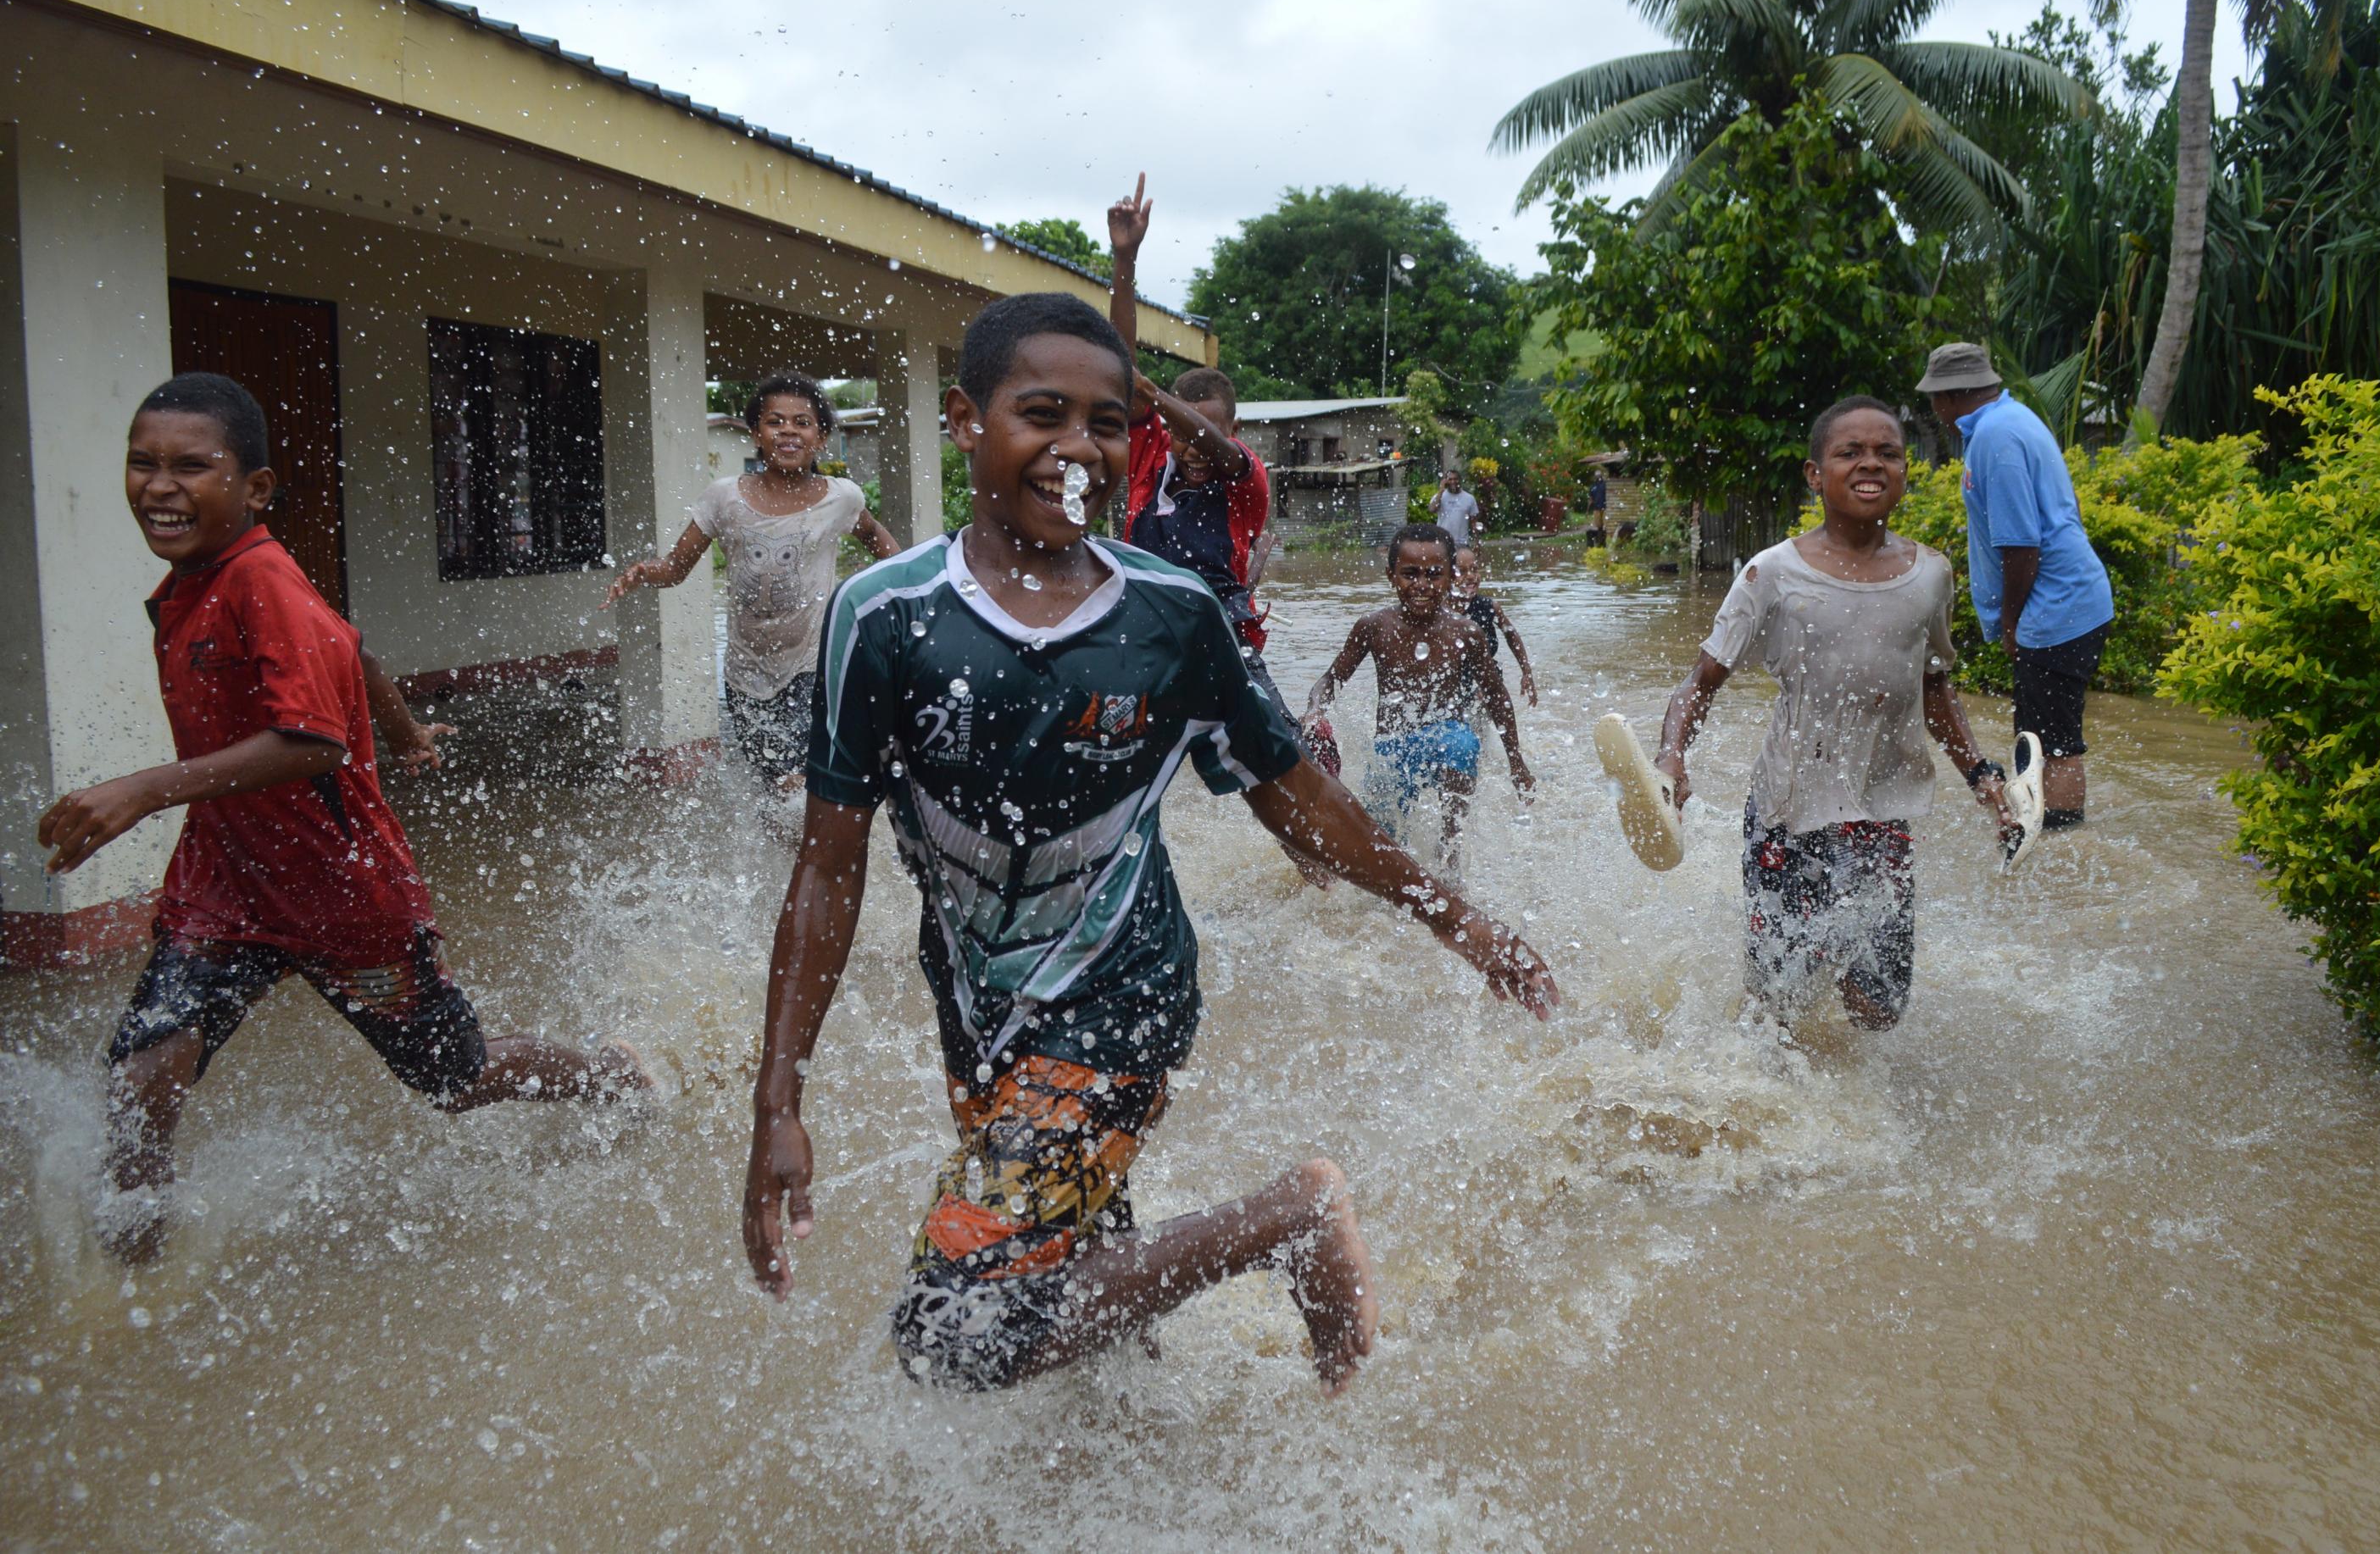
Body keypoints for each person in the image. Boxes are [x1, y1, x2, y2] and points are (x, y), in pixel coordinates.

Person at [739, 293, 1561, 1396]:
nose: (1077, 447)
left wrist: (1464, 925)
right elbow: (828, 867)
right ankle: (1144, 1449)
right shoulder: (884, 616)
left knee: (956, 1328)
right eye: (1044, 414)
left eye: (1107, 423)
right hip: (976, 1004)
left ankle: (1289, 1218)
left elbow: (1308, 809)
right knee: (1078, 1269)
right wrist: (776, 1100)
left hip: (1121, 993)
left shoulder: (1169, 616)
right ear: (967, 421)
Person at [39, 374, 649, 1263]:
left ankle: (611, 1072)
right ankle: (132, 1291)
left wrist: (140, 790)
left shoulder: (260, 580)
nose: (160, 487)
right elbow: (348, 644)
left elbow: (313, 743)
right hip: (226, 888)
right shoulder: (196, 580)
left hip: (344, 895)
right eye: (144, 464)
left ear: (254, 489)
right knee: (140, 1082)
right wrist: (402, 732)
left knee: (455, 1077)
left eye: (191, 466)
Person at [1639, 397, 2013, 1031]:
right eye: (1850, 453)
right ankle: (1764, 1102)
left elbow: (1934, 685)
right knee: (1777, 996)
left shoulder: (1929, 575)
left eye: (1886, 453)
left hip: (1881, 812)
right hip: (1788, 809)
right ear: (1816, 476)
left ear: (1903, 470)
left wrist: (1980, 774)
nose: (1870, 464)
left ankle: (1848, 1105)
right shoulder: (1772, 573)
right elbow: (1700, 681)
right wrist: (1671, 756)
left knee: (1878, 1009)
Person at [606, 375, 898, 786]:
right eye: (775, 422)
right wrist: (642, 572)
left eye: (802, 422)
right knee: (770, 783)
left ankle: (809, 846)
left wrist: (910, 590)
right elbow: (675, 568)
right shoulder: (724, 498)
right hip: (745, 671)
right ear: (756, 434)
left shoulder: (842, 498)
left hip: (812, 662)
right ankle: (780, 851)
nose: (789, 432)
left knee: (798, 778)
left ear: (822, 436)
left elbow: (878, 541)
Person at [1101, 175, 1293, 731]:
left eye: (1208, 432)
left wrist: (1154, 396)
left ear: (1233, 428)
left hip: (1222, 639)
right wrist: (1125, 261)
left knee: (1282, 754)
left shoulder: (1244, 476)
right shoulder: (1148, 457)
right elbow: (1121, 369)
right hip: (1143, 630)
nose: (1194, 448)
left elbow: (1218, 450)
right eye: (1181, 434)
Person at [1914, 342, 2114, 831]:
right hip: (2072, 601)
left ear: (1950, 395)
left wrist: (2011, 620)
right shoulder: (2014, 419)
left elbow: (2021, 544)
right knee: (2048, 732)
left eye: (1933, 398)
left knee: (2049, 741)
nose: (1933, 410)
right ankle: (2053, 832)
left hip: (2055, 610)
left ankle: (2058, 840)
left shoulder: (1994, 438)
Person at [1310, 524, 1534, 871]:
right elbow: (1331, 679)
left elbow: (1497, 697)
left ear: (1450, 577)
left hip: (1446, 739)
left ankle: (1450, 857)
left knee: (1461, 743)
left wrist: (1516, 762)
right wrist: (1315, 711)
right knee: (1382, 852)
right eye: (1410, 574)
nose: (1422, 586)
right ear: (1391, 575)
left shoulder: (1466, 632)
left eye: (1434, 575)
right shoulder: (1374, 626)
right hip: (1392, 748)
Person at [1451, 544, 1539, 707]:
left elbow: (1511, 634)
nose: (1471, 576)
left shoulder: (1489, 606)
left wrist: (1527, 672)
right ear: (1447, 576)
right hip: (1452, 683)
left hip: (1485, 679)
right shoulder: (1440, 613)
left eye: (1474, 569)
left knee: (1484, 699)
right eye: (1462, 571)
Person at [1430, 468, 1482, 549]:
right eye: (1450, 479)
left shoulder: (1469, 498)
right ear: (1446, 481)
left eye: (1455, 479)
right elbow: (1432, 509)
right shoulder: (1439, 496)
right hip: (1443, 542)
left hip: (1462, 543)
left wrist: (1477, 542)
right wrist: (1441, 490)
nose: (1453, 482)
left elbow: (1474, 523)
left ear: (1460, 480)